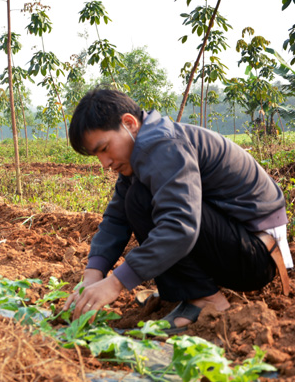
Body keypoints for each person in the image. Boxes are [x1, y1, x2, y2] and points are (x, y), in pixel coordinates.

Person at [63, 88, 292, 333]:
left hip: (257, 255)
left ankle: (204, 299)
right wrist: (93, 275)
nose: (105, 163)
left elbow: (179, 226)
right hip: (238, 246)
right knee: (135, 198)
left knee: (142, 200)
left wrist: (117, 282)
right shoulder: (140, 155)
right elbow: (116, 219)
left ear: (129, 123)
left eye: (104, 148)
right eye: (97, 155)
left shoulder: (162, 146)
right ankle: (195, 292)